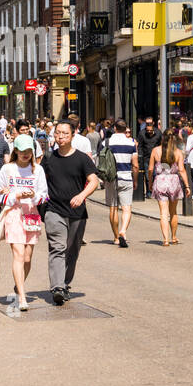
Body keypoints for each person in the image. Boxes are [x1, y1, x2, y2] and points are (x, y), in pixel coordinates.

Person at [41, 121, 100, 306]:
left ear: (72, 135)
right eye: (57, 133)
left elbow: (93, 181)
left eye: (65, 133)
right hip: (54, 210)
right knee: (57, 248)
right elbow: (39, 180)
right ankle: (57, 287)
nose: (60, 137)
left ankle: (65, 283)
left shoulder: (82, 158)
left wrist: (82, 196)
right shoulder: (48, 158)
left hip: (77, 212)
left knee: (72, 251)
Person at [0, 135, 48, 313]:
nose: (25, 154)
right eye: (22, 151)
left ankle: (19, 285)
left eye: (29, 151)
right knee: (18, 253)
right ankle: (22, 298)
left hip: (32, 214)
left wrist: (33, 196)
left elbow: (44, 194)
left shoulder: (38, 170)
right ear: (15, 150)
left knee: (27, 257)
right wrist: (14, 196)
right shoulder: (8, 169)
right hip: (14, 214)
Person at [149, 129, 190, 247]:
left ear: (162, 138)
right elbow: (182, 170)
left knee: (163, 213)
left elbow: (151, 169)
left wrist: (150, 182)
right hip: (173, 181)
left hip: (160, 181)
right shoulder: (178, 152)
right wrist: (187, 186)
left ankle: (165, 239)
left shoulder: (156, 151)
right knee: (173, 212)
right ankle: (174, 237)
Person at [105, 118, 138, 247]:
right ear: (126, 130)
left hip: (111, 178)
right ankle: (123, 231)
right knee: (127, 208)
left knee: (113, 208)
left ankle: (115, 237)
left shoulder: (106, 142)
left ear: (115, 128)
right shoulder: (131, 144)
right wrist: (135, 180)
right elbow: (135, 165)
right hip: (126, 178)